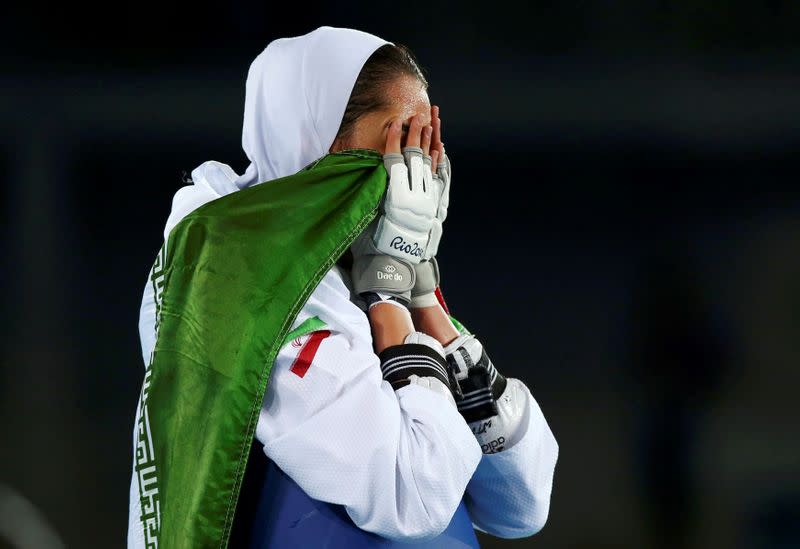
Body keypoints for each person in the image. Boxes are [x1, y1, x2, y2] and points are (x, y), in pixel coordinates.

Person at [128, 26, 558, 548]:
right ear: (321, 143)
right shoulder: (234, 279)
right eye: (402, 144)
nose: (415, 176)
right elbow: (416, 495)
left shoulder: (368, 277)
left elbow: (521, 503)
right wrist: (388, 299)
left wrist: (420, 297)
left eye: (427, 151)